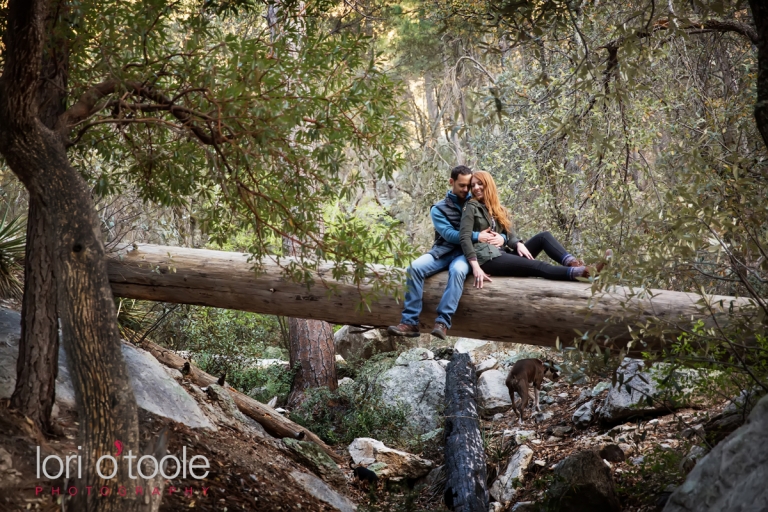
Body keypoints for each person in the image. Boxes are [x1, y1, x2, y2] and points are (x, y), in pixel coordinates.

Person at [388, 165, 506, 339]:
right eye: (462, 186)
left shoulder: (477, 202)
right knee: (413, 268)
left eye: (469, 185)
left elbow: (500, 224)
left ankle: (442, 322)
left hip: (467, 253)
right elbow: (449, 235)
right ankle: (410, 322)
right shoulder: (438, 209)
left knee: (457, 271)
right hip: (443, 252)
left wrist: (502, 238)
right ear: (452, 182)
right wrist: (477, 236)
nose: (467, 190)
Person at [460, 171, 608, 288]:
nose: (476, 188)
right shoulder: (471, 207)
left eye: (480, 184)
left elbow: (510, 234)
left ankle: (574, 263)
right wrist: (475, 266)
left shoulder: (498, 209)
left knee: (544, 237)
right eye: (473, 185)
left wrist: (517, 243)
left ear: (488, 185)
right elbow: (464, 237)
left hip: (502, 254)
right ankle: (584, 273)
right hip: (487, 258)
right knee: (538, 266)